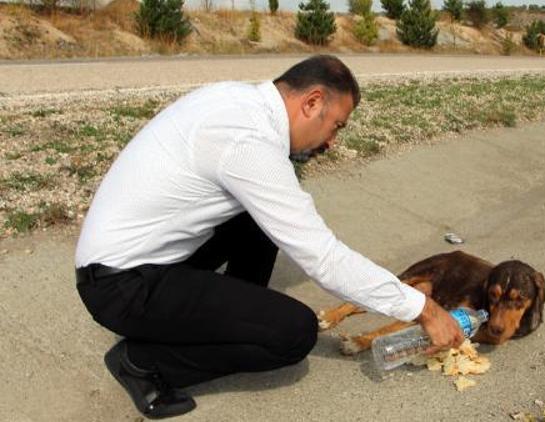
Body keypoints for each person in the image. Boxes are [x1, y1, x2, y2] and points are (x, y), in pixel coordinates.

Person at [74, 55, 464, 419]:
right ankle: (146, 362)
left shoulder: (238, 99)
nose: (331, 143)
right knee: (293, 334)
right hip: (120, 287)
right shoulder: (248, 142)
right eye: (336, 126)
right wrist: (423, 310)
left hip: (130, 260)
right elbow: (323, 259)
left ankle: (225, 323)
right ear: (312, 102)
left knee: (259, 220)